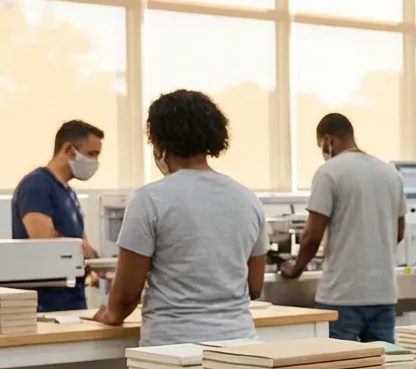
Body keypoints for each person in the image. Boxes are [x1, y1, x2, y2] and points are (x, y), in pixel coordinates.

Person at [93, 90, 269, 347]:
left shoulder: (149, 199)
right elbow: (254, 286)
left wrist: (109, 315)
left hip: (173, 348)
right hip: (241, 345)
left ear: (159, 140)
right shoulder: (247, 199)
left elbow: (127, 295)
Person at [279, 113, 406, 343]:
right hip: (383, 293)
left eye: (321, 145)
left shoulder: (329, 173)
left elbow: (311, 236)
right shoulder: (391, 174)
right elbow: (398, 232)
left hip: (341, 296)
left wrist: (296, 269)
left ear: (328, 139)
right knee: (380, 367)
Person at [10, 120, 104, 312]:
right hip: (47, 304)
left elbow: (80, 244)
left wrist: (96, 263)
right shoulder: (37, 185)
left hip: (71, 301)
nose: (95, 162)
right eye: (91, 154)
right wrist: (79, 246)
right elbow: (43, 239)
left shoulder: (69, 193)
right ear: (69, 149)